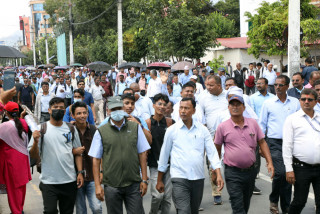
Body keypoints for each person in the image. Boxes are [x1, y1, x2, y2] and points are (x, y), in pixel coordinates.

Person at [156, 98, 224, 214]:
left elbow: (212, 153)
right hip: (179, 178)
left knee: (193, 211)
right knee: (183, 211)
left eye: (186, 108)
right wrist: (159, 180)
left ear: (193, 110)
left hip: (198, 178)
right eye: (181, 108)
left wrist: (218, 174)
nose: (183, 111)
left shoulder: (202, 130)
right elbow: (164, 155)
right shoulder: (172, 131)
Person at [88, 96, 150, 214]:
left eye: (119, 108)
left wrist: (144, 179)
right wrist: (97, 186)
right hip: (112, 185)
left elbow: (142, 153)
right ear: (108, 111)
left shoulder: (135, 127)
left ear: (123, 108)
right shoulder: (101, 131)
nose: (117, 111)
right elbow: (96, 159)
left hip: (133, 183)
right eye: (113, 109)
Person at [215, 95, 274, 214]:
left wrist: (269, 162)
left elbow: (262, 142)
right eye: (232, 104)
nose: (235, 107)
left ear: (244, 107)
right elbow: (216, 148)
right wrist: (215, 172)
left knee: (245, 204)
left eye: (238, 104)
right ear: (228, 107)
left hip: (250, 172)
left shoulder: (253, 123)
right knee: (237, 205)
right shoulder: (222, 126)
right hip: (232, 172)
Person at [28, 97, 84, 214]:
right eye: (55, 108)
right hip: (49, 182)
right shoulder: (41, 129)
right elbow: (33, 155)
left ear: (65, 111)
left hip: (69, 180)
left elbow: (78, 153)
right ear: (49, 110)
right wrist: (35, 141)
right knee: (50, 211)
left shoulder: (71, 129)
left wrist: (80, 172)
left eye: (61, 108)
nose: (58, 110)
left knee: (67, 211)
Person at [259, 75, 300, 214]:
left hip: (292, 143)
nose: (277, 87)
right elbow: (262, 125)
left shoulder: (295, 103)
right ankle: (274, 199)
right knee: (280, 172)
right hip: (274, 142)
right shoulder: (268, 103)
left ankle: (285, 205)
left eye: (280, 85)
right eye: (275, 85)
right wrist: (260, 145)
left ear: (287, 86)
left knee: (288, 173)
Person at [282, 89, 320, 214]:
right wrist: (289, 169)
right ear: (300, 101)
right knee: (299, 201)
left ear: (315, 101)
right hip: (301, 168)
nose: (306, 102)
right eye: (303, 99)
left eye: (310, 99)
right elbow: (287, 146)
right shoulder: (292, 119)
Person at [145, 93, 175, 214]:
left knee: (167, 198)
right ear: (154, 105)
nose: (162, 107)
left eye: (164, 104)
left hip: (169, 165)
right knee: (157, 196)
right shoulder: (147, 123)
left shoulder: (170, 122)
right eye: (159, 104)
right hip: (154, 165)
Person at [71, 101, 102, 214]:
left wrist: (101, 171)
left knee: (97, 208)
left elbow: (100, 152)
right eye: (79, 113)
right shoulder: (69, 130)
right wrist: (73, 151)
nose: (82, 116)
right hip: (76, 177)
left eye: (84, 113)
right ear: (73, 115)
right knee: (80, 210)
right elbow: (62, 150)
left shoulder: (94, 130)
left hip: (93, 176)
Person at [0, 102, 31, 214]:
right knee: (21, 187)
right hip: (22, 159)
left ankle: (16, 211)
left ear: (6, 113)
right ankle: (19, 209)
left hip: (11, 160)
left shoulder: (4, 126)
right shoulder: (23, 122)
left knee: (13, 190)